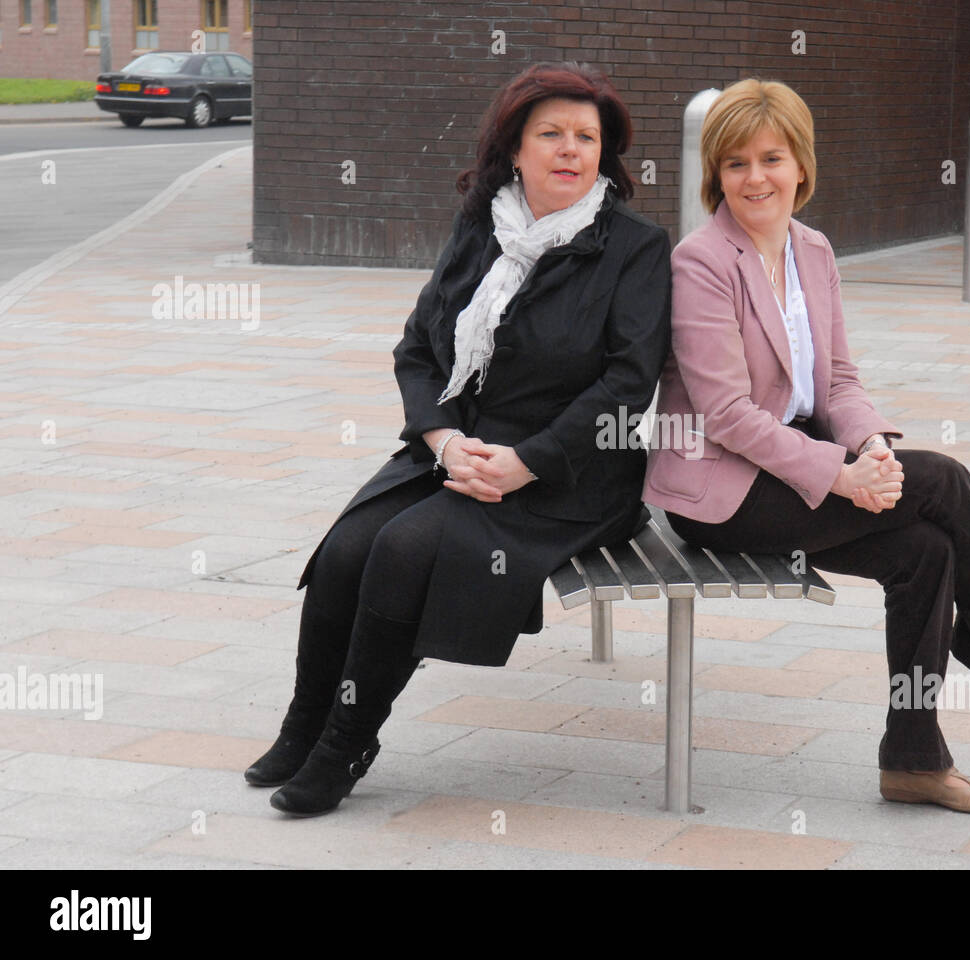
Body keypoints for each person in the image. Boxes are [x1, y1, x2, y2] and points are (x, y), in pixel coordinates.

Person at [642, 78, 970, 815]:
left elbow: (838, 379)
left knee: (926, 551)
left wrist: (868, 447)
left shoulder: (812, 250)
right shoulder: (702, 262)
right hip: (720, 494)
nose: (755, 178)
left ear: (801, 166)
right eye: (736, 163)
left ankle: (913, 762)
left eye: (771, 158)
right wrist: (845, 477)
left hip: (794, 468)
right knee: (945, 480)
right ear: (717, 173)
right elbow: (729, 415)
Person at [244, 62, 671, 816]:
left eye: (587, 137)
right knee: (348, 548)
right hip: (454, 448)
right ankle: (304, 721)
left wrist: (526, 463)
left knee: (405, 550)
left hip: (572, 473)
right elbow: (417, 348)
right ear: (515, 147)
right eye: (552, 135)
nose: (571, 150)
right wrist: (441, 440)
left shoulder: (634, 246)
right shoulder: (482, 225)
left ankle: (346, 744)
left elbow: (627, 385)